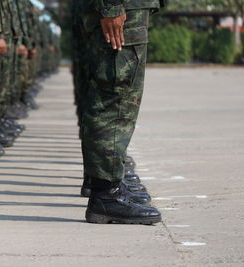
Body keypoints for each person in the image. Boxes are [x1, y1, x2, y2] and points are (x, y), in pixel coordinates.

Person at [75, 0, 164, 224]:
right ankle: (106, 194)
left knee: (120, 98)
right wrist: (112, 6)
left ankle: (110, 185)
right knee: (115, 97)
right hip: (120, 8)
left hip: (128, 8)